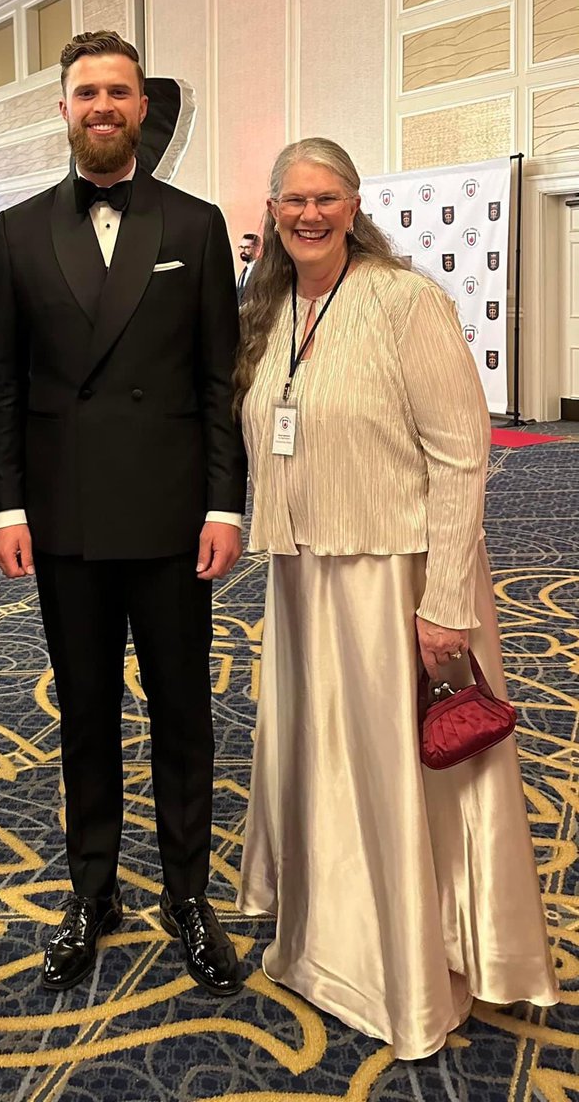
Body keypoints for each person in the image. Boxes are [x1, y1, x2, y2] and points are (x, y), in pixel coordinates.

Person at [234, 137, 558, 1059]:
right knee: (327, 763)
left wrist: (446, 598)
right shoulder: (271, 308)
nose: (309, 214)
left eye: (326, 198)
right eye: (293, 198)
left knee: (395, 773)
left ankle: (412, 967)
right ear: (272, 205)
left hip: (396, 578)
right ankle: (331, 945)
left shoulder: (403, 301)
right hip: (304, 575)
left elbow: (464, 455)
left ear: (353, 204)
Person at [0, 31, 247, 996]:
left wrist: (229, 504)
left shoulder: (196, 225)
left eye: (119, 92)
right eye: (86, 92)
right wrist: (5, 505)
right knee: (85, 715)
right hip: (65, 521)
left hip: (177, 520)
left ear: (143, 107)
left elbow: (220, 380)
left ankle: (187, 893)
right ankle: (91, 891)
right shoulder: (15, 232)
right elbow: (3, 389)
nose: (103, 106)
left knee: (183, 715)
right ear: (63, 108)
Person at [236, 233, 260, 304]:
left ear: (257, 249)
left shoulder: (261, 270)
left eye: (247, 247)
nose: (243, 251)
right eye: (241, 247)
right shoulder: (244, 271)